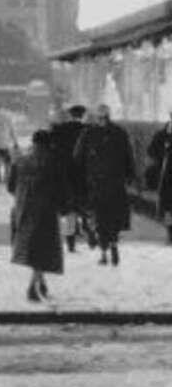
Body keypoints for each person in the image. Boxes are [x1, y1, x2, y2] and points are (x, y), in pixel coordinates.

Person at [73, 103, 136, 266]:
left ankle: (104, 252)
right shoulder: (119, 132)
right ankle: (112, 245)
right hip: (114, 183)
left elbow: (78, 158)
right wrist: (130, 175)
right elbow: (129, 156)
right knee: (113, 216)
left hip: (96, 183)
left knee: (100, 217)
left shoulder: (88, 133)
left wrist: (78, 179)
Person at [7, 130, 65, 302]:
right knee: (43, 249)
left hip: (23, 209)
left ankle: (41, 282)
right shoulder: (53, 160)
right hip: (45, 210)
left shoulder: (21, 160)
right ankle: (33, 287)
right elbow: (60, 187)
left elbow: (10, 187)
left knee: (31, 248)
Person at [49, 104, 89, 251]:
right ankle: (86, 226)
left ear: (70, 115)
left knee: (69, 208)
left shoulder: (60, 130)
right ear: (83, 115)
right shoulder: (89, 130)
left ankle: (71, 242)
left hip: (65, 173)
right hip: (85, 173)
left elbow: (52, 150)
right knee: (85, 203)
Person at [145, 109, 172, 245]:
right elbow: (151, 151)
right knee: (168, 207)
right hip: (166, 176)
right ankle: (170, 233)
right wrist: (164, 151)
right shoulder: (161, 135)